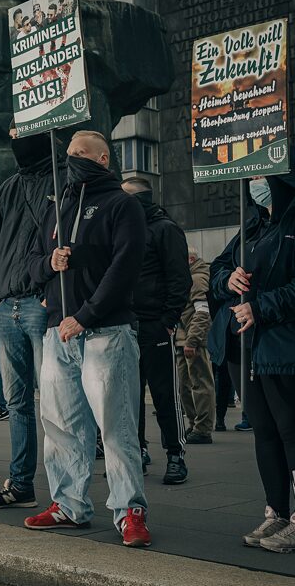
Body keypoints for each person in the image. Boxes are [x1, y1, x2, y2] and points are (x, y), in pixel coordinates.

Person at [22, 131, 151, 548]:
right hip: (58, 332)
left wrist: (86, 315)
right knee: (60, 425)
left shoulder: (122, 204)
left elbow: (125, 267)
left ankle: (129, 510)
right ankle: (69, 503)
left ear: (103, 158)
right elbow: (31, 262)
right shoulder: (56, 208)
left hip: (105, 332)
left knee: (116, 426)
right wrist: (49, 262)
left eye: (80, 153)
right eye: (69, 153)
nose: (72, 159)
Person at [208, 150, 295, 553]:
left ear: (284, 178)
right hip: (243, 346)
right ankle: (276, 513)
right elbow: (217, 269)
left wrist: (260, 307)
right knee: (263, 431)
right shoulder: (252, 225)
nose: (254, 184)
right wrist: (227, 280)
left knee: (292, 430)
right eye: (251, 178)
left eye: (261, 176)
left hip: (286, 347)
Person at [0, 130, 54, 510]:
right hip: (7, 304)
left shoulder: (62, 177)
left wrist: (49, 294)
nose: (13, 140)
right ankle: (21, 483)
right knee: (17, 401)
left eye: (19, 133)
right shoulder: (9, 186)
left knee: (54, 400)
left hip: (39, 303)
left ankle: (65, 492)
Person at [122, 176, 191, 484]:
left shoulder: (165, 229)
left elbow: (179, 278)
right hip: (127, 324)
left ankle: (175, 454)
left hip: (154, 325)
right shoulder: (125, 230)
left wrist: (168, 320)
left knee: (164, 395)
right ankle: (138, 450)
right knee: (130, 396)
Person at [176, 247, 215, 444]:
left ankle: (202, 428)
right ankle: (196, 425)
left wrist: (192, 340)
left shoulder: (197, 279)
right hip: (185, 339)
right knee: (186, 385)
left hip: (192, 340)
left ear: (190, 259)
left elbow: (202, 313)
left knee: (199, 383)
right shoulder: (191, 278)